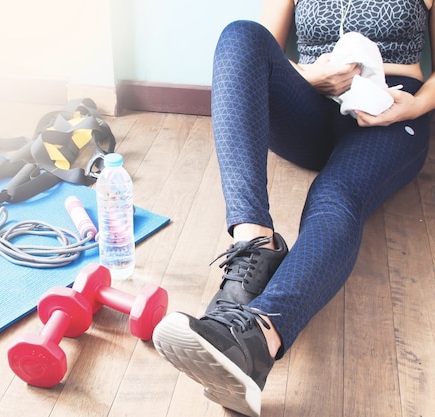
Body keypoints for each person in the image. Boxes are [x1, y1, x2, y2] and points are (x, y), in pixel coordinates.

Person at [152, 1, 435, 416]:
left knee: (335, 196)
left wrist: (415, 106)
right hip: (312, 100)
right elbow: (264, 46)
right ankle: (255, 244)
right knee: (240, 35)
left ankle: (259, 338)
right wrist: (311, 76)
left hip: (392, 106)